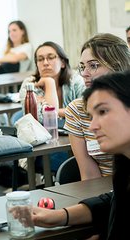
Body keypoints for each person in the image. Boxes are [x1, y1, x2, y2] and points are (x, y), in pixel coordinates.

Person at [11, 71, 130, 240]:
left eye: (103, 112)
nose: (92, 126)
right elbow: (114, 202)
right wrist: (59, 216)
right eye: (91, 116)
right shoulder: (123, 162)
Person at [64, 33, 130, 180]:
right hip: (105, 194)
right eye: (82, 67)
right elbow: (89, 175)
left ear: (117, 66)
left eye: (93, 66)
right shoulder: (77, 110)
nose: (85, 74)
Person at [19, 41, 85, 121]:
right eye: (40, 59)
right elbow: (43, 119)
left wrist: (54, 111)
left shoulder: (75, 80)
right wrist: (49, 83)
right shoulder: (29, 85)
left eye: (51, 57)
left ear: (63, 63)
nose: (45, 63)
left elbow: (86, 111)